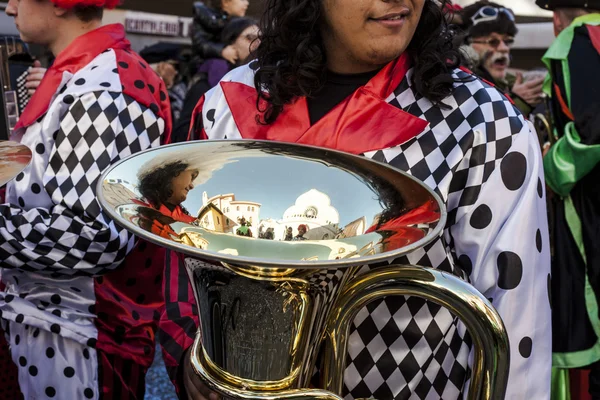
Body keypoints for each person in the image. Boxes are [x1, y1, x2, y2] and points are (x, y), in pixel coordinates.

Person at [161, 0, 552, 399]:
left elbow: (518, 321)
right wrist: (190, 359)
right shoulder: (227, 102)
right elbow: (182, 261)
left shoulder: (487, 126)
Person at [0, 0, 172, 398]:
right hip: (44, 322)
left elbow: (95, 235)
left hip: (81, 334)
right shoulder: (85, 74)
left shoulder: (106, 83)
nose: (10, 8)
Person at [535, 0, 600, 398]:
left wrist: (552, 168)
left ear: (557, 15)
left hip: (589, 211)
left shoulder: (580, 38)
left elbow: (592, 128)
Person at [172, 17, 259, 143]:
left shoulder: (261, 82)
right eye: (249, 38)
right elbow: (183, 133)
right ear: (230, 43)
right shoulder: (208, 82)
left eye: (261, 38)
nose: (258, 44)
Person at [457, 2, 545, 117]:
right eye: (493, 42)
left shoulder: (512, 82)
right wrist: (518, 102)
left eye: (507, 41)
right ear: (466, 47)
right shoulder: (459, 85)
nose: (504, 48)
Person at [137, 160, 200, 225]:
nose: (192, 186)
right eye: (192, 177)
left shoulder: (191, 222)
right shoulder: (135, 206)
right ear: (173, 171)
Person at [191, 0, 250, 65]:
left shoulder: (242, 23)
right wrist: (222, 51)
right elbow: (200, 44)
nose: (247, 3)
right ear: (225, 2)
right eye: (242, 0)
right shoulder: (204, 18)